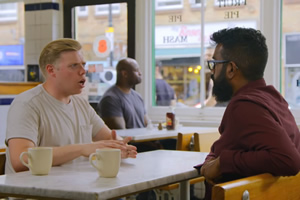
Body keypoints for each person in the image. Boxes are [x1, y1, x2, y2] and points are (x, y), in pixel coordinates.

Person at [195, 27, 300, 200]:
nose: (211, 72)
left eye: (214, 64)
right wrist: (213, 160)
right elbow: (227, 146)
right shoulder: (273, 99)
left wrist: (222, 163)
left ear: (231, 69)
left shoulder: (245, 106)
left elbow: (289, 160)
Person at [5, 38, 137, 174]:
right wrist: (82, 149)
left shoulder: (81, 104)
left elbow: (109, 138)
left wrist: (120, 146)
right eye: (74, 66)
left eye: (83, 65)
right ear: (51, 70)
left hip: (76, 187)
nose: (83, 71)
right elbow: (22, 159)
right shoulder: (27, 104)